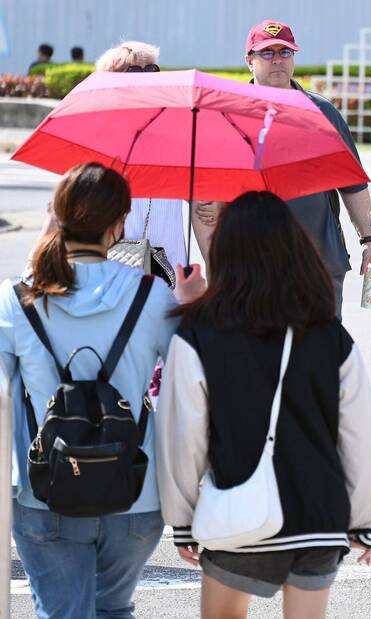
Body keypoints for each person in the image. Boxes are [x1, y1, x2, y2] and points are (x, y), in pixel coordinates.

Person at [157, 191, 371, 619]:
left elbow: (183, 435)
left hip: (238, 508)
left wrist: (182, 519)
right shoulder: (330, 335)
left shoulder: (201, 334)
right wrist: (366, 519)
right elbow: (362, 435)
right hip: (318, 515)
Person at [0, 162, 204, 619]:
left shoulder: (18, 299)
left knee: (63, 612)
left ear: (56, 215)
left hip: (44, 491)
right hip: (134, 492)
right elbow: (191, 388)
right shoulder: (151, 295)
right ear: (119, 223)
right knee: (112, 608)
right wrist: (193, 308)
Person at [241, 19, 371, 317]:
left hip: (319, 261)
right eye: (267, 53)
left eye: (285, 52)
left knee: (322, 344)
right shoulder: (232, 113)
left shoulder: (322, 112)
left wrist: (370, 240)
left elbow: (352, 183)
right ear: (249, 61)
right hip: (254, 265)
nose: (277, 59)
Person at [95, 41, 215, 270]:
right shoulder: (98, 142)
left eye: (151, 70)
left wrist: (212, 204)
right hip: (114, 270)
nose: (146, 79)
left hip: (169, 269)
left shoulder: (174, 137)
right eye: (134, 72)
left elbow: (199, 199)